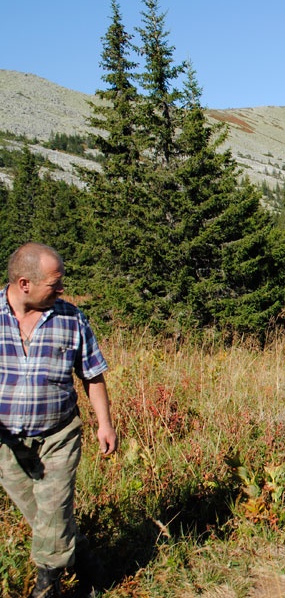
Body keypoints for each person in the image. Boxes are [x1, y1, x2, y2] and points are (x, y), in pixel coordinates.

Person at [0, 243, 117, 598]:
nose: (62, 289)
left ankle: (46, 588)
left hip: (59, 435)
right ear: (24, 284)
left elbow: (92, 376)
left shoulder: (72, 318)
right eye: (54, 283)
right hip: (6, 443)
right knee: (44, 516)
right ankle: (87, 563)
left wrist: (105, 423)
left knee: (53, 510)